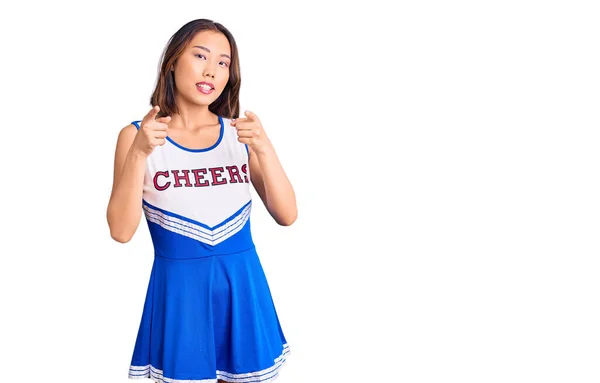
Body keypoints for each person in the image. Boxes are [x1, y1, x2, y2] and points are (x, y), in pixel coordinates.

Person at [106, 18, 297, 383]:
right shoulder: (137, 136)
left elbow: (287, 215)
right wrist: (139, 153)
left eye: (223, 62)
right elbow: (120, 231)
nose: (212, 69)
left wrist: (264, 147)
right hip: (180, 292)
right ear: (173, 61)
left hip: (243, 287)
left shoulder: (240, 135)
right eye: (200, 55)